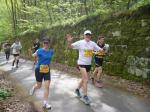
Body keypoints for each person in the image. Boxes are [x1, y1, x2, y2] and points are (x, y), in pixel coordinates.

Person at [66, 30, 103, 104]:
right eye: (86, 35)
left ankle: (77, 89)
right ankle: (85, 96)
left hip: (88, 64)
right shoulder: (80, 42)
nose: (87, 36)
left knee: (84, 79)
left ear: (91, 36)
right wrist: (69, 41)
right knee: (86, 80)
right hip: (81, 63)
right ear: (84, 35)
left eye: (89, 35)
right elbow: (70, 46)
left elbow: (99, 49)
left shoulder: (92, 44)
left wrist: (102, 50)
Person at [29, 37, 54, 109]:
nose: (46, 44)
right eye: (44, 43)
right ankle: (33, 88)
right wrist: (30, 52)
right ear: (43, 43)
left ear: (49, 43)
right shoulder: (39, 50)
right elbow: (33, 56)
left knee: (47, 86)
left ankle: (45, 103)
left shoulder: (51, 51)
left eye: (47, 43)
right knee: (39, 86)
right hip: (39, 70)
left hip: (47, 70)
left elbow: (49, 60)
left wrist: (49, 67)